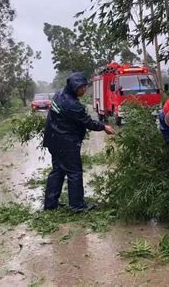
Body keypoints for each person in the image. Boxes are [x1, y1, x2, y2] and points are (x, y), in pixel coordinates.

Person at [43, 72, 115, 212]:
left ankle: (50, 205)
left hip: (53, 140)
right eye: (81, 88)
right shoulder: (73, 105)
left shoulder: (60, 94)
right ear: (74, 87)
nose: (84, 90)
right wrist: (104, 127)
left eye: (84, 87)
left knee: (57, 171)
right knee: (74, 172)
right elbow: (88, 122)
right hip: (66, 143)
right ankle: (77, 206)